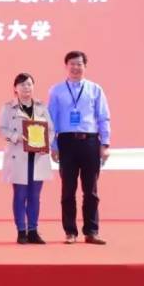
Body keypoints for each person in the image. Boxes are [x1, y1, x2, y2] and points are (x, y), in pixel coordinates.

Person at [48, 51, 111, 245]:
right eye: (72, 64)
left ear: (85, 66)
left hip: (90, 142)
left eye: (79, 64)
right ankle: (70, 232)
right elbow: (51, 119)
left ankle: (91, 231)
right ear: (66, 66)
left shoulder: (95, 89)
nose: (75, 67)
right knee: (68, 190)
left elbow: (103, 118)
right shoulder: (56, 90)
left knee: (90, 190)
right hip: (66, 142)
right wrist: (53, 145)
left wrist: (105, 144)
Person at [0, 73, 54, 244]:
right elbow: (1, 129)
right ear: (15, 88)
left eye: (29, 84)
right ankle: (21, 231)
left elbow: (51, 130)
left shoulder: (41, 107)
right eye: (22, 85)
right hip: (18, 155)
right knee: (20, 194)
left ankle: (33, 230)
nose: (26, 88)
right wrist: (16, 137)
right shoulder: (8, 107)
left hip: (38, 156)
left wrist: (46, 144)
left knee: (35, 195)